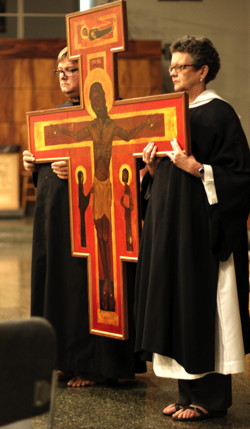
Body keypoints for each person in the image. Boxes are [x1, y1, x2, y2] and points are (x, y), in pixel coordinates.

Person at [134, 35, 250, 422]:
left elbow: (240, 177)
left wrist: (198, 168)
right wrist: (154, 169)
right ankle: (186, 394)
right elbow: (167, 178)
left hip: (203, 233)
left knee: (203, 309)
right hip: (172, 231)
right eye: (171, 66)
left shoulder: (219, 113)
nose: (173, 72)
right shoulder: (172, 112)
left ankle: (212, 399)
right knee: (178, 305)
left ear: (202, 71)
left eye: (181, 66)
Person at [23, 47, 146, 387]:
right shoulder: (57, 118)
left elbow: (128, 162)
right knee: (59, 283)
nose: (62, 75)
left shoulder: (118, 113)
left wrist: (81, 166)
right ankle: (66, 358)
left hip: (99, 217)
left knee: (89, 285)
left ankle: (95, 364)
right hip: (57, 220)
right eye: (59, 70)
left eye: (71, 70)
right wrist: (35, 165)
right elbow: (51, 168)